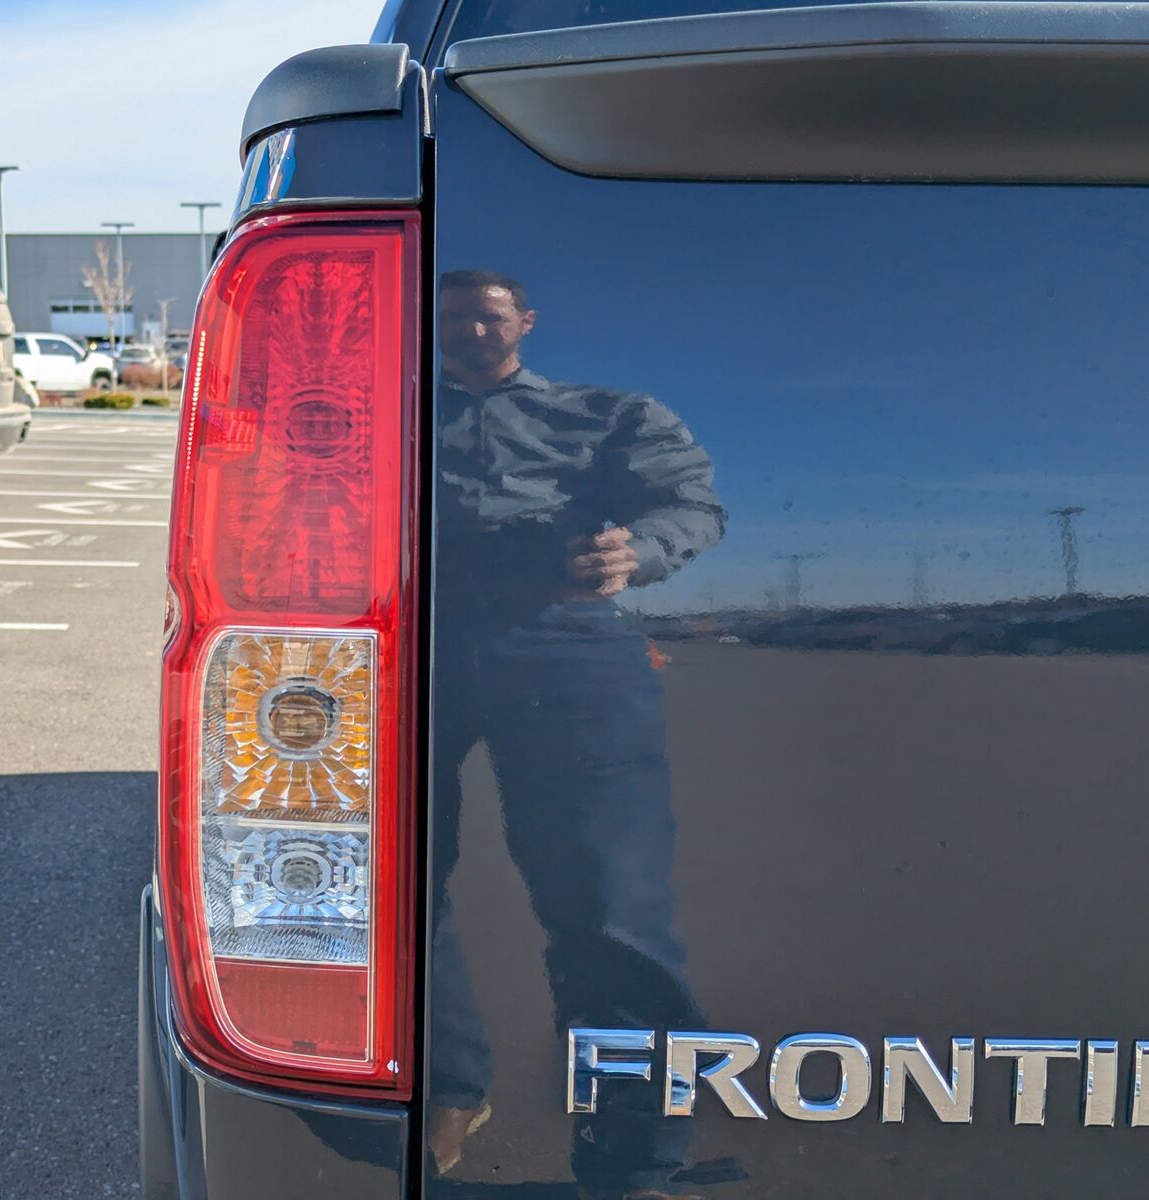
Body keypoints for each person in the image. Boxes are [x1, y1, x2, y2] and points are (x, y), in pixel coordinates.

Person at [426, 270, 729, 1199]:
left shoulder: (607, 415)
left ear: (525, 322)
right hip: (410, 638)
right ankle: (446, 1090)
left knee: (607, 901)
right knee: (393, 882)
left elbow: (694, 506)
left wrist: (639, 551)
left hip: (566, 643)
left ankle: (636, 1156)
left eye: (491, 314)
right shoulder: (385, 417)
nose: (474, 329)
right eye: (455, 316)